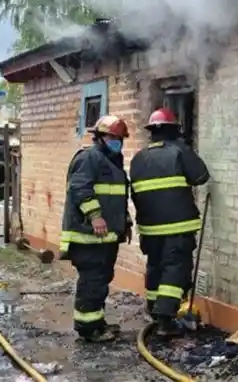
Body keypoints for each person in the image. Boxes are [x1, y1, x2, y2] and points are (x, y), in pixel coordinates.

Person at [129, 108, 210, 337]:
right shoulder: (178, 151)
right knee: (175, 270)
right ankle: (166, 320)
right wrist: (186, 149)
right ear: (174, 130)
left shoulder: (138, 158)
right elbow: (201, 176)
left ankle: (154, 310)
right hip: (178, 227)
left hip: (149, 229)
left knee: (155, 267)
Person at [60, 115, 132, 343]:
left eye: (119, 138)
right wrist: (95, 216)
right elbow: (79, 188)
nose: (116, 141)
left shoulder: (112, 161)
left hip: (104, 237)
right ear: (99, 137)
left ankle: (96, 322)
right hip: (88, 236)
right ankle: (88, 329)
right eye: (112, 136)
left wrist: (125, 222)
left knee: (101, 280)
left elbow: (116, 198)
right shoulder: (90, 158)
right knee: (92, 281)